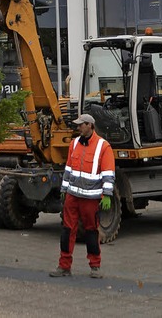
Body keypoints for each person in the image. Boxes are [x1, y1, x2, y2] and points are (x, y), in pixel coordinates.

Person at [49, 113, 115, 279]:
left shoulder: (103, 146)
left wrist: (107, 195)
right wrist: (64, 190)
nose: (78, 128)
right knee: (66, 230)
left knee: (91, 231)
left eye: (81, 125)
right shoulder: (74, 143)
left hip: (91, 199)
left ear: (90, 125)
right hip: (72, 196)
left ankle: (95, 266)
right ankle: (64, 266)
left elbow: (108, 173)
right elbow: (68, 169)